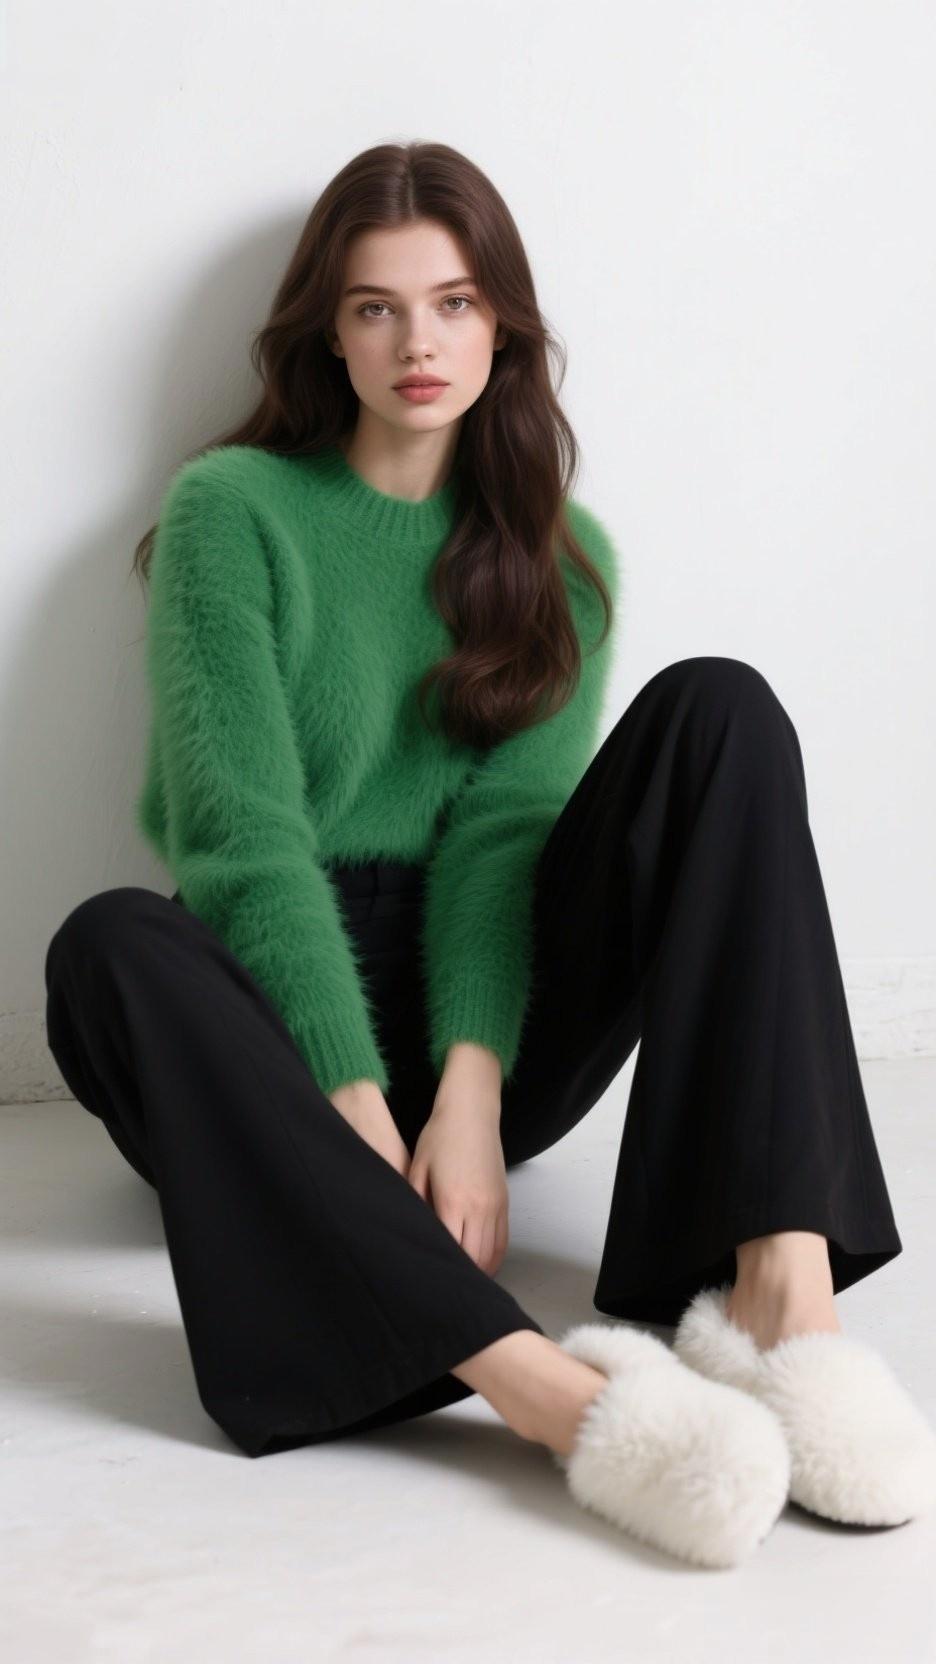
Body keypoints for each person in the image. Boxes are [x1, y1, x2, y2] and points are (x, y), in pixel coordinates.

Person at [43, 141, 933, 1563]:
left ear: (502, 327)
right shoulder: (236, 511)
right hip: (271, 1039)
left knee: (723, 711)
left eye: (454, 304)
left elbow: (506, 845)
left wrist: (467, 1099)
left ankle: (786, 1291)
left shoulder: (561, 556)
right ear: (329, 335)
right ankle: (543, 1390)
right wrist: (348, 1101)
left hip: (490, 1013)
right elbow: (242, 838)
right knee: (107, 943)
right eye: (377, 307)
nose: (419, 343)